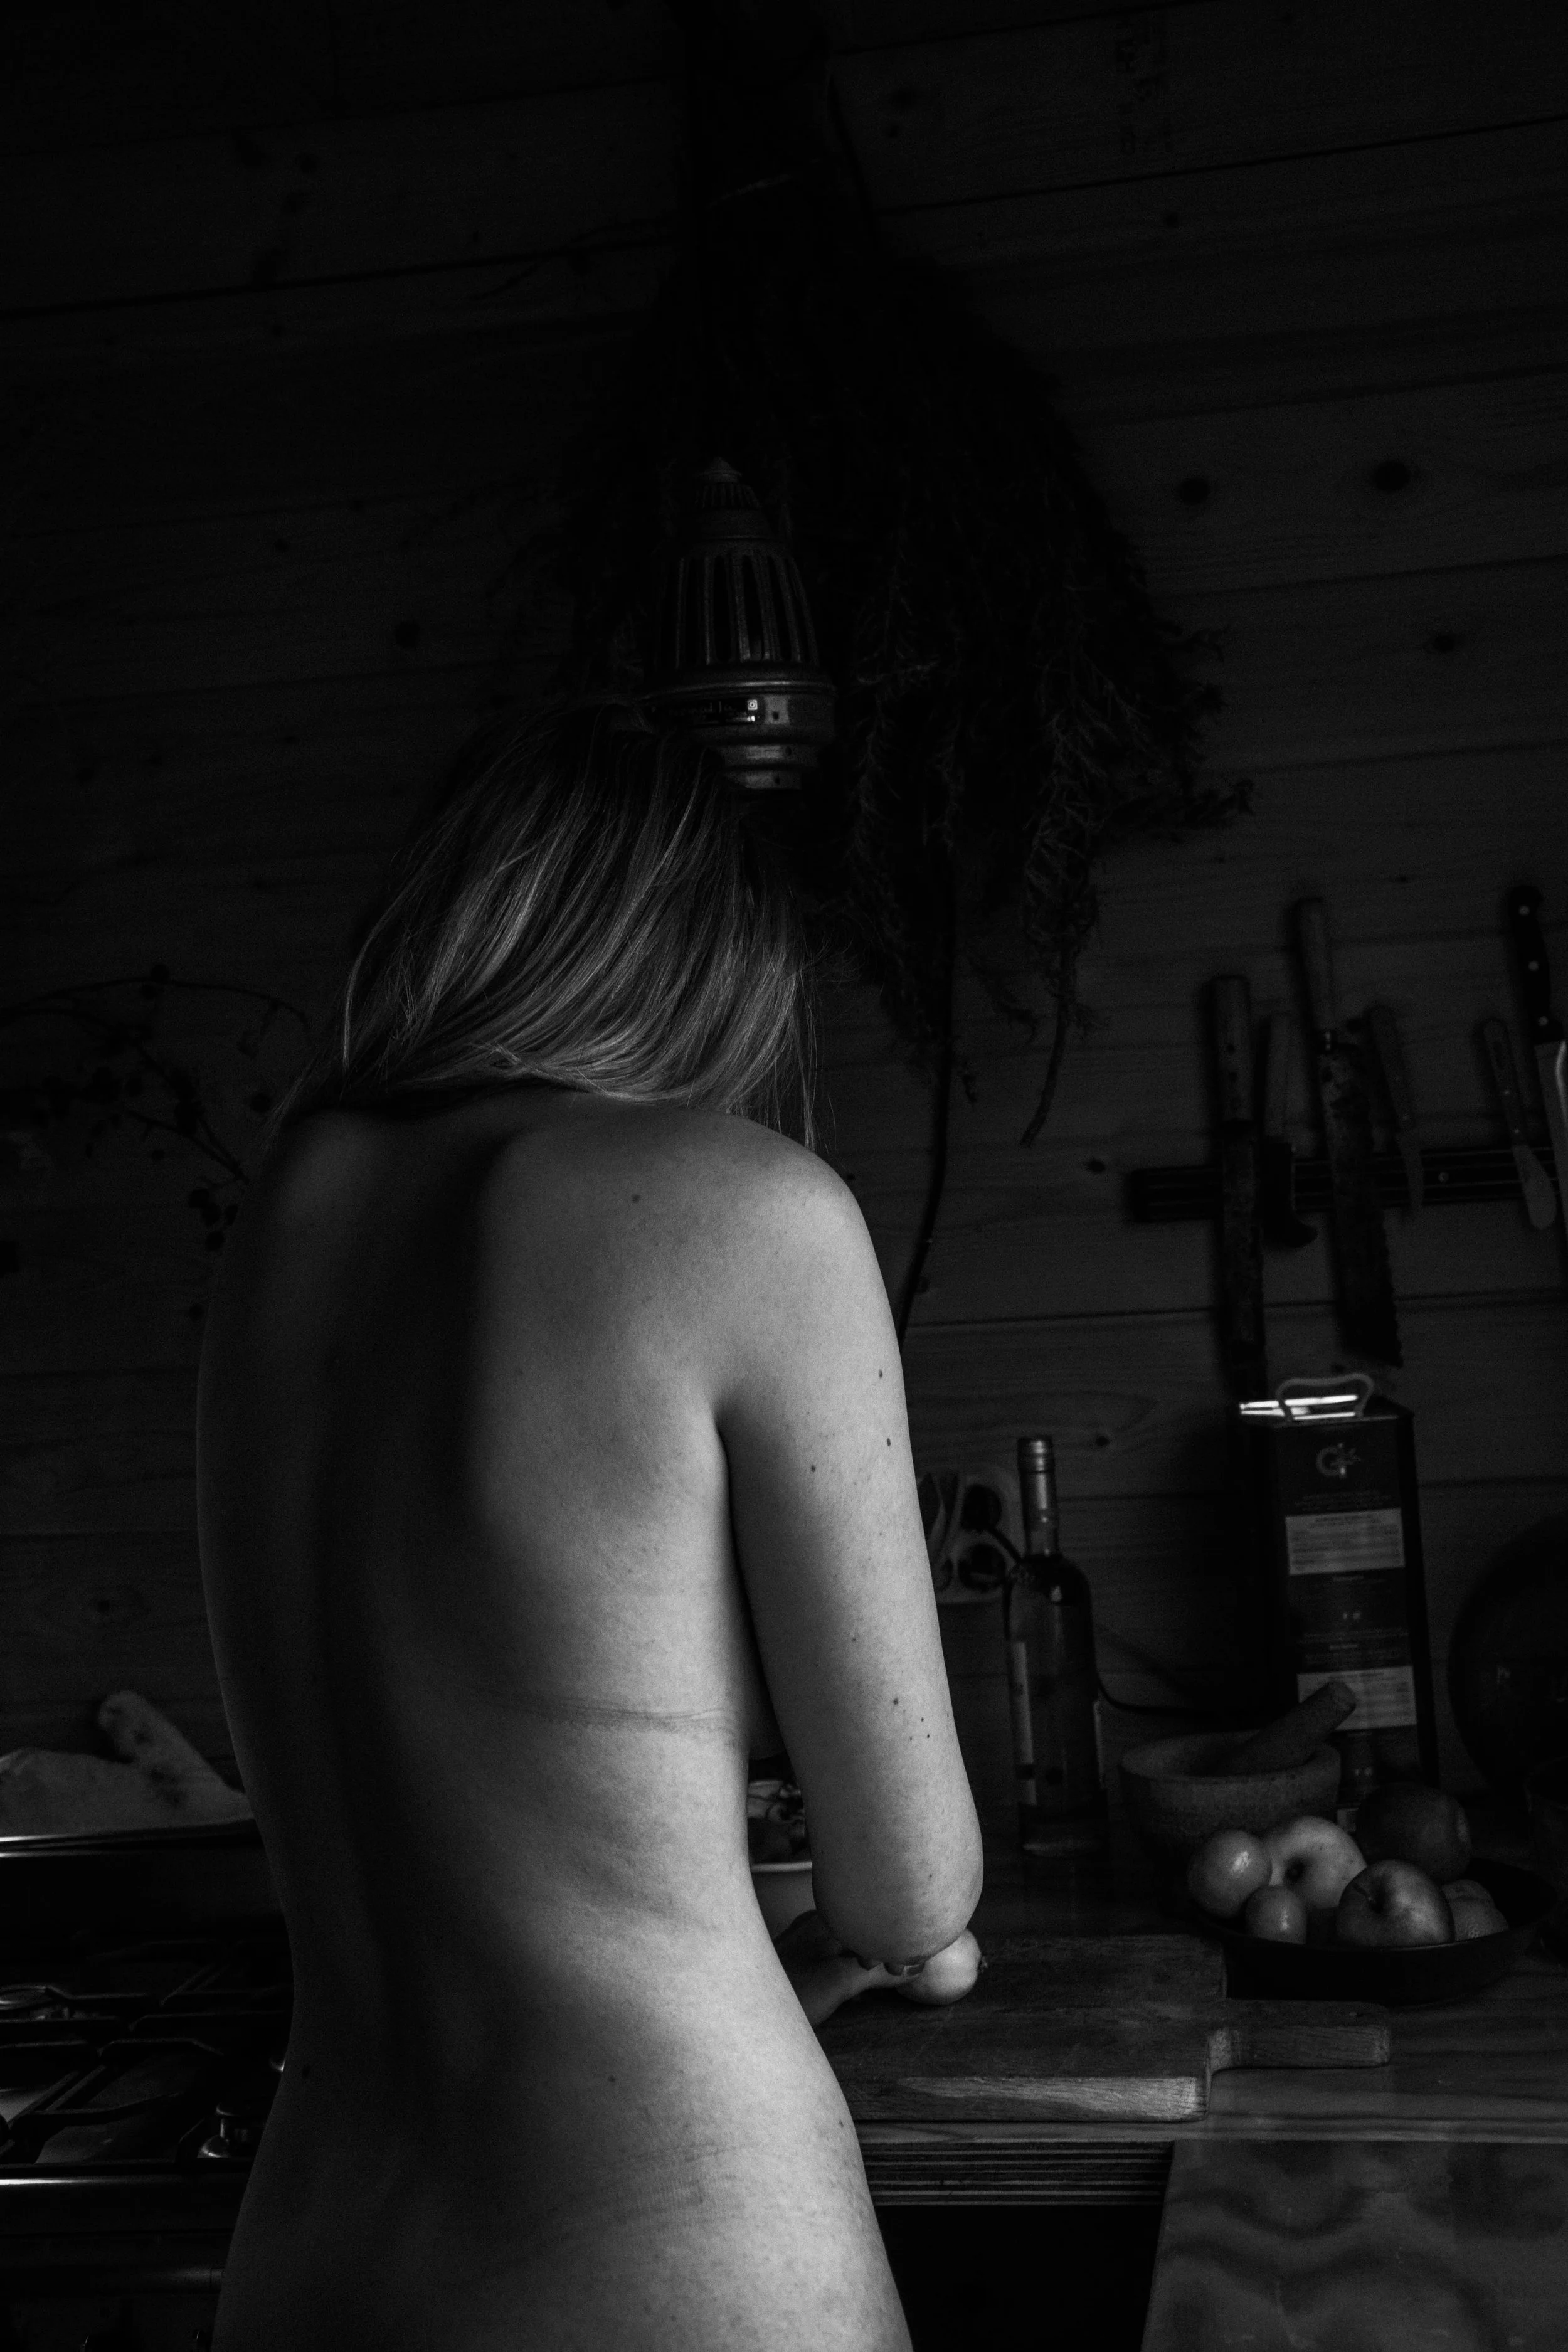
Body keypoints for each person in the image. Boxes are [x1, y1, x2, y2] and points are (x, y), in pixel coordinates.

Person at [198, 701, 984, 2350]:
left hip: (311, 2248)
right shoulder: (740, 1204)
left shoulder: (294, 1201)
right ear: (716, 958)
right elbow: (910, 1891)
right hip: (657, 2242)